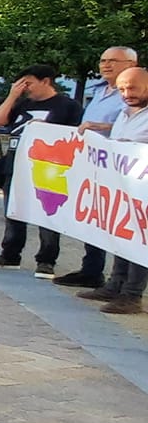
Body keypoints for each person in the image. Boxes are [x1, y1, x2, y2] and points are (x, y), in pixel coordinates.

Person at [0, 64, 83, 277]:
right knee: (13, 209)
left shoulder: (67, 106)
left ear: (46, 81)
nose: (26, 88)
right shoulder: (23, 104)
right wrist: (12, 96)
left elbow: (74, 136)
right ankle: (10, 253)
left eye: (29, 83)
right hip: (16, 163)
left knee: (48, 212)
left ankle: (46, 259)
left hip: (48, 167)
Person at [55, 47, 139, 289]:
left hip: (126, 170)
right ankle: (92, 270)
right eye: (103, 60)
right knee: (97, 218)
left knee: (125, 225)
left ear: (132, 63)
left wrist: (101, 127)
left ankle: (127, 287)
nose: (106, 65)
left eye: (113, 60)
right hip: (96, 165)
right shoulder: (98, 91)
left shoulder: (135, 95)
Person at [79, 66, 148, 314]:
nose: (127, 93)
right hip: (123, 187)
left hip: (144, 191)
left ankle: (132, 294)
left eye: (133, 88)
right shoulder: (125, 112)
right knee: (122, 237)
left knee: (140, 242)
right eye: (122, 89)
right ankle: (115, 284)